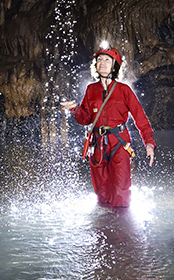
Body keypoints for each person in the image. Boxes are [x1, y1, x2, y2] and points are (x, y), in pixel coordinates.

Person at [61, 45, 154, 208]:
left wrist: (149, 143)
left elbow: (140, 118)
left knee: (121, 189)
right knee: (102, 191)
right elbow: (86, 119)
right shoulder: (91, 90)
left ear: (114, 66)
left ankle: (123, 220)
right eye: (99, 60)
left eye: (107, 60)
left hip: (119, 142)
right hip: (97, 143)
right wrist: (75, 109)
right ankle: (104, 221)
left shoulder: (124, 90)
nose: (102, 63)